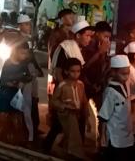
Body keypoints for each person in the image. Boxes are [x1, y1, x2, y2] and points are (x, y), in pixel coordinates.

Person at [43, 20, 93, 153]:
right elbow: (58, 71)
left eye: (90, 36)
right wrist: (66, 91)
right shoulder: (65, 47)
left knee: (74, 122)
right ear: (77, 35)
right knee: (62, 123)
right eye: (87, 35)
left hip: (77, 89)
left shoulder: (79, 49)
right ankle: (56, 148)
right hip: (66, 93)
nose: (89, 39)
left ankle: (68, 148)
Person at [0, 41, 32, 146]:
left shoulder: (24, 63)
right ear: (16, 52)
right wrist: (12, 83)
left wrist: (23, 81)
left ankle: (14, 143)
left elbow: (28, 76)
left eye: (26, 53)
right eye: (22, 53)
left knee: (16, 120)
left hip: (17, 97)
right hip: (6, 96)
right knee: (3, 121)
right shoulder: (8, 63)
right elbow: (2, 81)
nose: (24, 56)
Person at [98, 55, 134, 161]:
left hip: (126, 133)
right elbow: (104, 116)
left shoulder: (124, 85)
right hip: (115, 136)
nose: (126, 77)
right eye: (123, 74)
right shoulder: (110, 91)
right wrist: (103, 137)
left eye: (128, 73)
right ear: (114, 72)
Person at [51, 58, 88, 160]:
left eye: (78, 71)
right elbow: (54, 101)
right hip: (66, 114)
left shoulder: (81, 84)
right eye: (73, 71)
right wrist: (65, 106)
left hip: (78, 114)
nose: (76, 74)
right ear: (66, 71)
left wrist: (86, 113)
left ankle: (67, 152)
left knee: (72, 135)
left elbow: (84, 100)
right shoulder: (62, 85)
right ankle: (73, 154)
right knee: (71, 134)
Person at [17, 14, 43, 142]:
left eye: (28, 24)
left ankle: (33, 128)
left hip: (31, 73)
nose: (28, 26)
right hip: (26, 74)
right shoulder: (18, 40)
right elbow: (22, 59)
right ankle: (29, 134)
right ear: (20, 26)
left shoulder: (28, 39)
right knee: (26, 103)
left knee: (33, 101)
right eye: (26, 24)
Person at [81, 21, 112, 109]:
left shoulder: (102, 46)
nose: (107, 40)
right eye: (105, 37)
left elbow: (103, 67)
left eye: (109, 38)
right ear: (97, 34)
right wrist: (100, 52)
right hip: (86, 85)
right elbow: (84, 66)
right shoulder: (87, 45)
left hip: (97, 86)